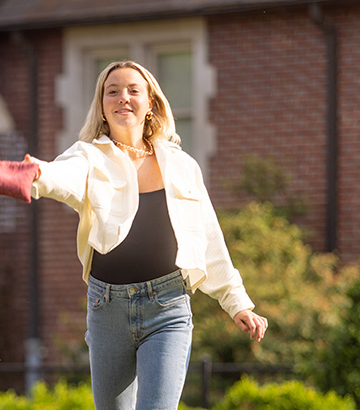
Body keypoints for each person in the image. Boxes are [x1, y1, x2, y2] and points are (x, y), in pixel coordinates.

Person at [24, 61, 268, 409]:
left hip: (167, 309)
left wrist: (237, 301)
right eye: (113, 91)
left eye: (133, 90)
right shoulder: (89, 157)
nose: (123, 97)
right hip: (106, 309)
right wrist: (34, 175)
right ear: (103, 107)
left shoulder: (182, 165)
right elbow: (63, 177)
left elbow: (208, 237)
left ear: (150, 103)